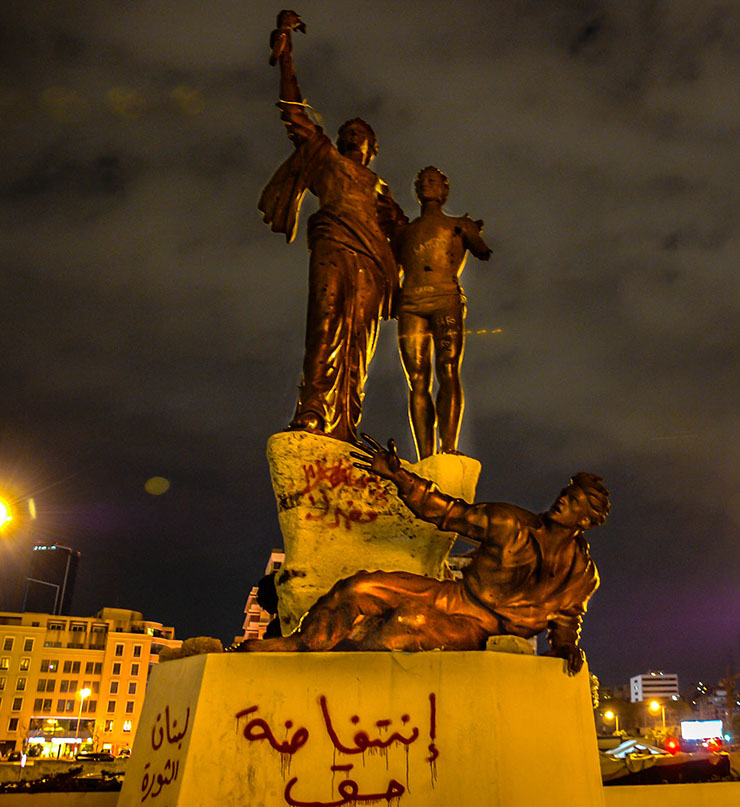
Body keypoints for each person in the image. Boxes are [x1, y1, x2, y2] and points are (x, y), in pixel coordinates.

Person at [238, 435, 609, 675]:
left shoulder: (581, 573)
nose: (564, 500)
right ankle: (304, 644)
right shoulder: (509, 521)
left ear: (588, 521)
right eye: (567, 493)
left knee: (404, 627)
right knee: (361, 586)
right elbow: (445, 512)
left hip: (486, 627)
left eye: (574, 501)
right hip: (454, 595)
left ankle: (341, 671)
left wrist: (564, 647)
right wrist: (399, 478)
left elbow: (566, 618)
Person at [259, 15, 407, 443]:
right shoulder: (325, 158)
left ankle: (345, 423)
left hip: (374, 261)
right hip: (334, 242)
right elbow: (294, 113)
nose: (348, 137)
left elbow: (405, 236)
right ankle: (310, 409)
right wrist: (286, 56)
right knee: (324, 325)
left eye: (357, 133)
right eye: (344, 132)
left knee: (360, 343)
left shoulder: (381, 189)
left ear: (372, 148)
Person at [393, 167, 491, 458]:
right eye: (422, 182)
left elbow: (482, 249)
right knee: (417, 379)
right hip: (411, 299)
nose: (426, 185)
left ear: (444, 190)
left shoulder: (459, 225)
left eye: (433, 181)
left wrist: (472, 230)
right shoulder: (404, 232)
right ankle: (426, 455)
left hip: (445, 296)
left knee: (448, 369)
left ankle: (448, 447)